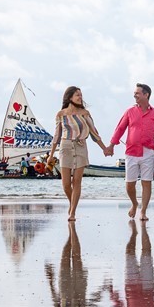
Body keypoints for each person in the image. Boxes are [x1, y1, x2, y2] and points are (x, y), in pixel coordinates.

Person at [48, 86, 110, 221]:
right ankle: (73, 203)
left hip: (81, 146)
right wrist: (51, 155)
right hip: (65, 147)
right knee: (65, 184)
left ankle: (72, 212)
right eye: (77, 95)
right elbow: (56, 136)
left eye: (81, 95)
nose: (80, 97)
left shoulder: (85, 113)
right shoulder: (61, 114)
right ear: (70, 97)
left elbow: (94, 133)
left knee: (76, 181)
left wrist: (104, 148)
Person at [106, 83, 154, 221]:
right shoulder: (129, 111)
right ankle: (134, 203)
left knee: (146, 182)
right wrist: (111, 145)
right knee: (129, 184)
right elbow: (119, 129)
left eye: (137, 93)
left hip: (149, 152)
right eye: (134, 93)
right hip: (131, 151)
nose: (134, 95)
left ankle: (143, 211)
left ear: (146, 95)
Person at [45, 221, 108, 307]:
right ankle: (72, 233)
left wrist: (50, 279)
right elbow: (92, 304)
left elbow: (55, 300)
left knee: (65, 255)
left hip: (65, 287)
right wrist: (102, 289)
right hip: (79, 287)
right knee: (77, 256)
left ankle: (71, 234)